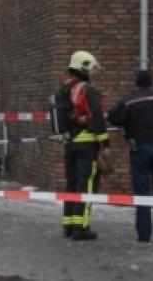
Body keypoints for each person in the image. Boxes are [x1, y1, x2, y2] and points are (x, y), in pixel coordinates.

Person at [107, 70, 153, 242]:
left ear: (137, 83)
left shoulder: (130, 100)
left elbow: (113, 117)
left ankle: (144, 235)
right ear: (151, 82)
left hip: (140, 148)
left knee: (142, 192)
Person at [56, 50, 110, 240]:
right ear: (84, 67)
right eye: (91, 68)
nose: (92, 72)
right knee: (85, 185)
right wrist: (105, 141)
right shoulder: (87, 89)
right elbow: (96, 116)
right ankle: (81, 227)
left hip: (70, 143)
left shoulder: (63, 90)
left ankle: (69, 224)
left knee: (71, 184)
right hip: (87, 144)